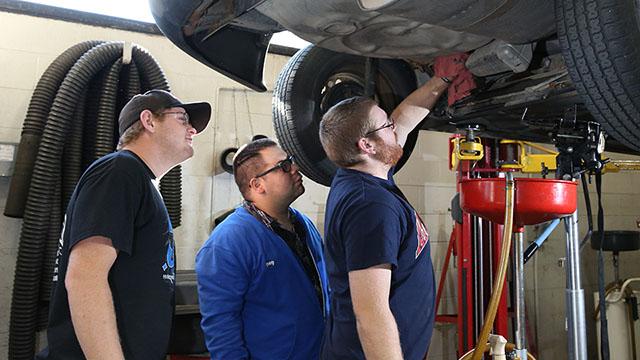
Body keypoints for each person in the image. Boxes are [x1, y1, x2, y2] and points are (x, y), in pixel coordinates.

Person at [36, 89, 211, 360]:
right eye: (183, 119)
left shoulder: (141, 181)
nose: (192, 130)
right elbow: (84, 278)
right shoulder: (119, 171)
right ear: (149, 121)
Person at [318, 54, 472, 359]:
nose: (394, 127)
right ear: (367, 145)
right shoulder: (371, 208)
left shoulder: (361, 172)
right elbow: (371, 316)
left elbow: (402, 120)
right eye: (385, 125)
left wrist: (441, 80)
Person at [196, 138, 330, 359]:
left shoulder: (304, 226)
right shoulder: (228, 243)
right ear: (257, 185)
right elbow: (221, 329)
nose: (295, 168)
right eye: (284, 166)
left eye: (292, 161)